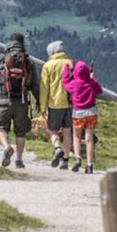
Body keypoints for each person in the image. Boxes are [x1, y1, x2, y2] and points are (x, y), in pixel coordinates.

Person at [0, 33, 41, 168]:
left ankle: (6, 147)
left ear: (10, 42)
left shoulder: (1, 58)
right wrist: (39, 100)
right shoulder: (28, 61)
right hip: (22, 101)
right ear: (22, 44)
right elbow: (35, 84)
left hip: (4, 98)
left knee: (0, 127)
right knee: (21, 131)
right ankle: (19, 160)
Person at [62, 59, 104, 174]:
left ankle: (77, 157)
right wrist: (93, 78)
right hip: (91, 112)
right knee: (89, 139)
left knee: (76, 136)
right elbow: (99, 91)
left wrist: (66, 68)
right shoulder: (91, 82)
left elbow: (65, 84)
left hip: (78, 113)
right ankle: (89, 165)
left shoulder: (74, 83)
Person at [40, 40, 76, 168]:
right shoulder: (71, 63)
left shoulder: (48, 66)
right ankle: (65, 161)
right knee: (67, 133)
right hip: (70, 104)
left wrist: (43, 107)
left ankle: (57, 148)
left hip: (54, 103)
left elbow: (44, 88)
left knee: (53, 131)